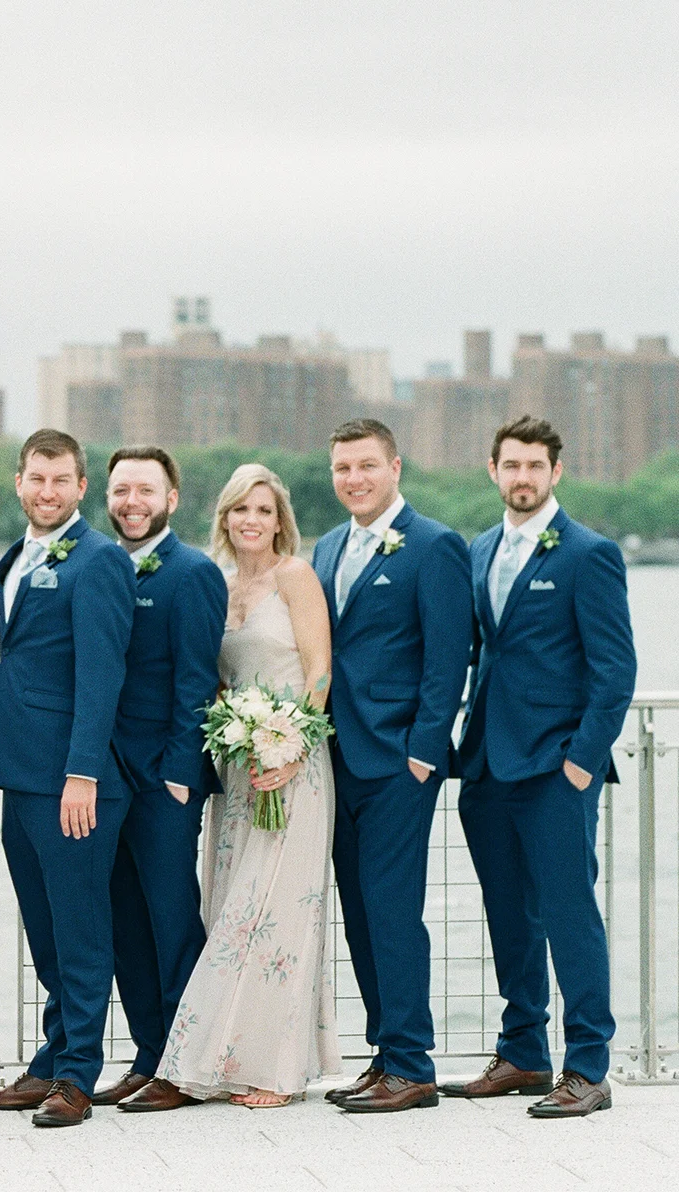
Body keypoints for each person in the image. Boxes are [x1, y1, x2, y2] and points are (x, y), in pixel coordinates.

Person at [444, 416, 635, 1118]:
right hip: (488, 767)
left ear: (557, 472)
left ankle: (588, 1067)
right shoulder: (478, 549)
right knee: (508, 915)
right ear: (492, 470)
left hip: (556, 771)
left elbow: (615, 672)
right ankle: (525, 1049)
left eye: (535, 466)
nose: (522, 477)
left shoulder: (589, 553)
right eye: (511, 465)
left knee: (569, 914)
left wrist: (581, 764)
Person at [151, 465, 340, 1107]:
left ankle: (278, 1071)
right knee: (234, 910)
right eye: (239, 510)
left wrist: (291, 746)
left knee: (279, 915)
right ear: (225, 517)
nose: (250, 520)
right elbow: (218, 682)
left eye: (262, 509)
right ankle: (231, 1056)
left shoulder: (296, 577)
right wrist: (239, 735)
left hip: (295, 765)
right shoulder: (221, 583)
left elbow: (319, 672)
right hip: (238, 768)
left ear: (279, 518)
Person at [0, 429, 134, 1128]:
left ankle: (77, 1074)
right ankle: (50, 1056)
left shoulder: (97, 561)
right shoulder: (17, 556)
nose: (47, 491)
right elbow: (30, 662)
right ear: (19, 481)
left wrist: (82, 774)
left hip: (72, 784)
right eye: (37, 478)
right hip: (21, 772)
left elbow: (101, 676)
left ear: (81, 487)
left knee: (81, 928)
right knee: (43, 927)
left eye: (60, 479)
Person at [311, 418, 470, 1113]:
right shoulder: (325, 547)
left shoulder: (434, 546)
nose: (355, 479)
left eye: (367, 466)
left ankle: (412, 1064)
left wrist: (422, 755)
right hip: (332, 757)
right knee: (358, 911)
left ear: (395, 467)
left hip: (398, 762)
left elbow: (447, 660)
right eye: (343, 467)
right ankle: (385, 1054)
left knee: (392, 908)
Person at [91, 448, 227, 1112]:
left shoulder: (193, 573)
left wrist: (180, 774)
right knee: (124, 922)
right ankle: (149, 1053)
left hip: (162, 781)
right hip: (104, 779)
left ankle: (187, 1063)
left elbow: (197, 679)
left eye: (146, 489)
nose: (132, 501)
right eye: (121, 489)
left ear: (172, 498)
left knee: (173, 920)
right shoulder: (99, 566)